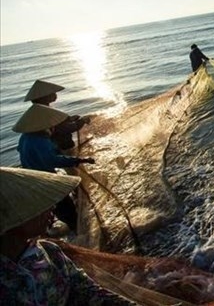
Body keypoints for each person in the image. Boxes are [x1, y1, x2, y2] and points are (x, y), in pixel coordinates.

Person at [0, 166, 135, 305]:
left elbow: (85, 289)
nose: (51, 207)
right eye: (37, 206)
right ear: (11, 219)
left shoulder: (50, 252)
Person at [13, 103, 95, 231]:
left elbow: (22, 150)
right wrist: (79, 160)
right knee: (65, 207)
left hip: (31, 177)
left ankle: (61, 227)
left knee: (53, 206)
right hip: (44, 179)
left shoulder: (25, 137)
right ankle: (79, 233)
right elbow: (53, 160)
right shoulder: (41, 141)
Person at [25, 79, 90, 151]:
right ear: (44, 97)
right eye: (51, 93)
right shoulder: (46, 113)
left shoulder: (34, 113)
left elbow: (57, 124)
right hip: (57, 147)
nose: (55, 94)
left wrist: (69, 119)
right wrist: (82, 121)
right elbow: (66, 128)